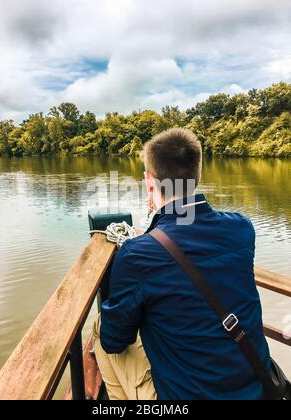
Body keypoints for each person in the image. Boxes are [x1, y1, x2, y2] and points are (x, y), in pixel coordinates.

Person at [93, 128, 271, 400]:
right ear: (197, 175)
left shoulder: (136, 254)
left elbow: (114, 340)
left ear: (149, 181)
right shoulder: (242, 229)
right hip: (256, 388)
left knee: (100, 327)